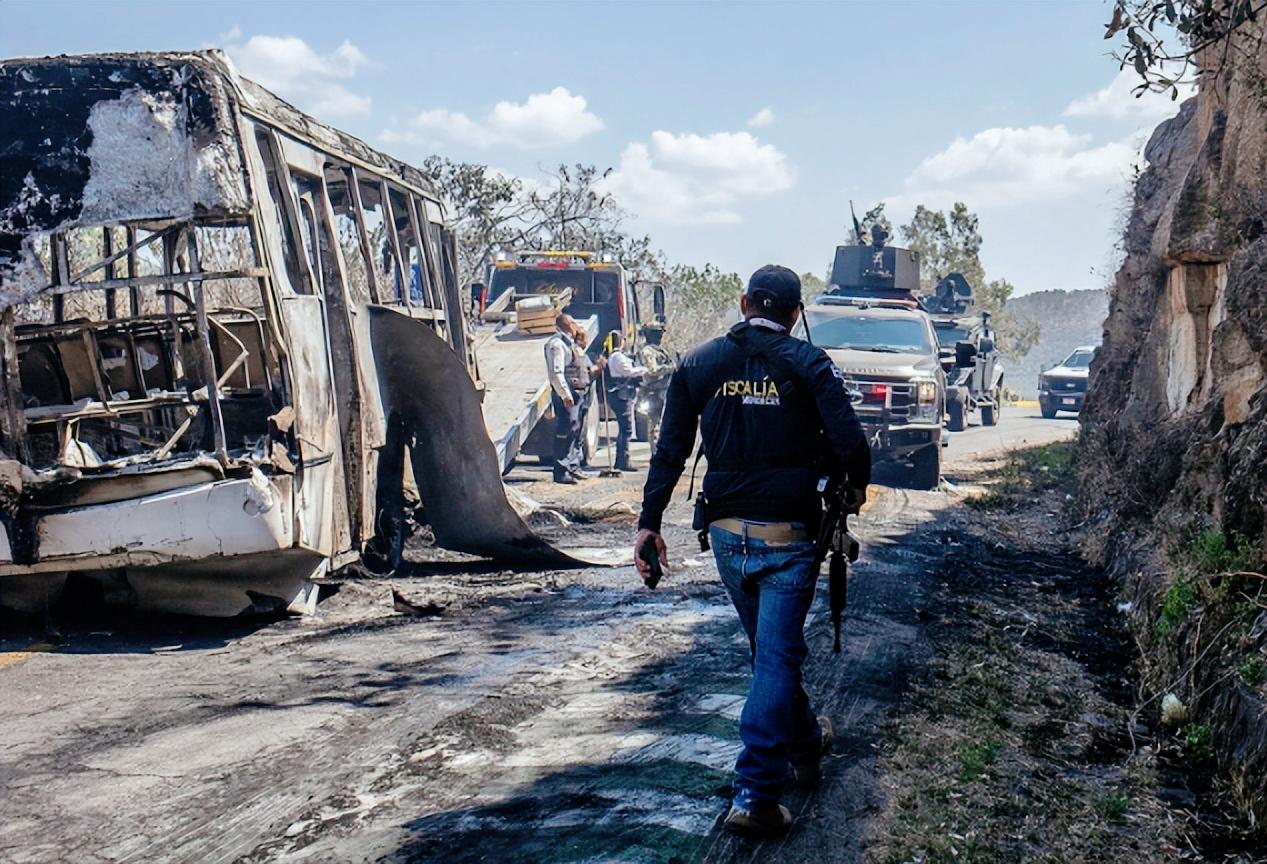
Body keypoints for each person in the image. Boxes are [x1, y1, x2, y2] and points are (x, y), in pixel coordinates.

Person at [633, 265, 871, 835]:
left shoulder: (698, 362)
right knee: (774, 658)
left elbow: (670, 451)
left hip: (724, 533)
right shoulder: (810, 364)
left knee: (770, 655)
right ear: (795, 313)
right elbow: (852, 447)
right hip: (789, 537)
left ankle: (807, 741)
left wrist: (648, 523)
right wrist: (853, 491)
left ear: (744, 303)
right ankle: (758, 795)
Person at [544, 314, 584, 484]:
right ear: (567, 325)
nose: (576, 326)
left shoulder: (569, 344)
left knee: (573, 429)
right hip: (566, 394)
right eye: (574, 322)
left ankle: (572, 467)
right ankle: (561, 471)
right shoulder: (557, 344)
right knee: (565, 430)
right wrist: (565, 394)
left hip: (574, 392)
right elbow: (556, 373)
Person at [604, 329, 647, 472]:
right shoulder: (617, 357)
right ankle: (623, 461)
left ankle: (622, 460)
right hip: (621, 395)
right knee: (626, 429)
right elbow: (628, 371)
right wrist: (644, 370)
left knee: (625, 428)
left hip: (622, 394)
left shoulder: (616, 356)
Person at [568, 328, 605, 472]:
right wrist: (600, 366)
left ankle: (577, 463)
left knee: (579, 431)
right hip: (579, 396)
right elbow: (588, 372)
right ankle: (575, 463)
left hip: (584, 397)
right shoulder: (578, 353)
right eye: (585, 339)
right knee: (577, 431)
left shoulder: (580, 353)